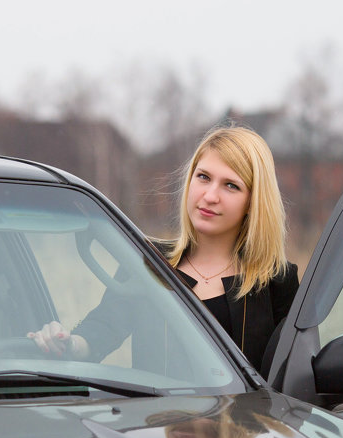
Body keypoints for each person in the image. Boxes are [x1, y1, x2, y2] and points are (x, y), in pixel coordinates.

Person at [29, 125, 298, 372]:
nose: (210, 196)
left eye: (231, 185)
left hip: (245, 426)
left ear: (254, 201)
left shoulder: (277, 283)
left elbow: (294, 379)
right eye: (203, 177)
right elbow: (102, 329)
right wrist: (67, 344)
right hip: (161, 424)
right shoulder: (148, 262)